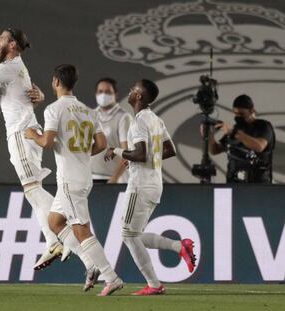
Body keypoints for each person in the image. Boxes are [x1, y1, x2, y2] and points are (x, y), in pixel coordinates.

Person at [0, 28, 65, 269]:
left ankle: (67, 231)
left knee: (32, 190)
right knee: (32, 191)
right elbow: (17, 93)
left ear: (13, 44)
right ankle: (52, 240)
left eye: (2, 39)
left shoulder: (8, 67)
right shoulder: (14, 68)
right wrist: (38, 96)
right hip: (24, 130)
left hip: (21, 132)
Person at [25, 64, 123, 296]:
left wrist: (33, 135)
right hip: (84, 176)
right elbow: (100, 145)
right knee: (55, 221)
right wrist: (79, 154)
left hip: (69, 179)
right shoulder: (89, 111)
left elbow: (47, 142)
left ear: (56, 82)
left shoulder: (53, 109)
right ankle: (90, 264)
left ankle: (111, 277)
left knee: (81, 229)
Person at [104, 79, 196, 295]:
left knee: (128, 235)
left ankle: (154, 284)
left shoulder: (138, 122)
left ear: (139, 96)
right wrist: (140, 158)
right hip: (155, 184)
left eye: (133, 89)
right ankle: (178, 247)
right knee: (133, 234)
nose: (129, 91)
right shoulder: (155, 119)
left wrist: (117, 151)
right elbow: (169, 149)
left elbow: (140, 154)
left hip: (140, 185)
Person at [206, 94, 275, 183]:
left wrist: (234, 132)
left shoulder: (264, 126)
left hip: (257, 185)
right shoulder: (236, 129)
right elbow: (214, 150)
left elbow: (259, 146)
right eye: (236, 114)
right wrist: (210, 134)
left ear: (251, 110)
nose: (238, 117)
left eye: (242, 114)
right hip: (233, 183)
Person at [91, 78, 132, 183]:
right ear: (96, 94)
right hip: (91, 178)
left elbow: (127, 153)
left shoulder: (123, 117)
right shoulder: (91, 115)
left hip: (114, 180)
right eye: (100, 92)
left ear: (115, 94)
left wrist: (114, 179)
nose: (103, 95)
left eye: (108, 92)